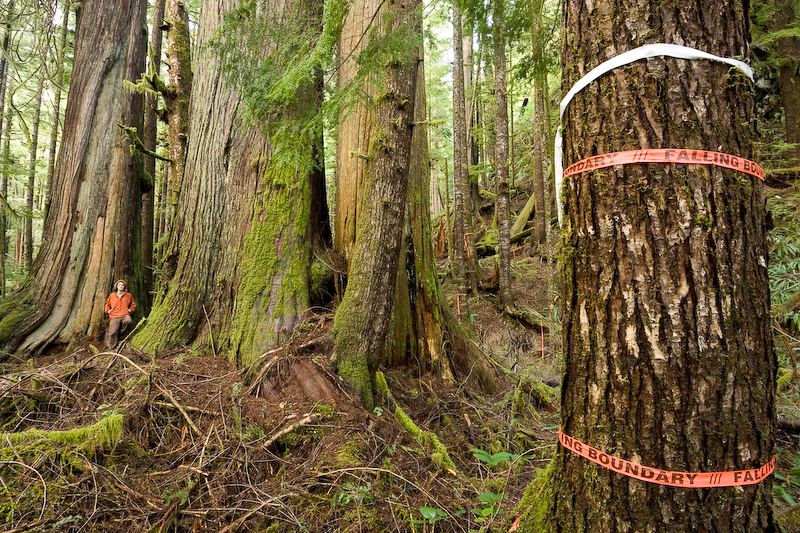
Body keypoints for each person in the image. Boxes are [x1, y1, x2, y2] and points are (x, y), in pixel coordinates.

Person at [105, 280, 136, 349]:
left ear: (124, 287)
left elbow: (133, 304)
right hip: (114, 315)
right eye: (119, 285)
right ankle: (112, 347)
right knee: (113, 332)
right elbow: (107, 303)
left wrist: (131, 310)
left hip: (125, 314)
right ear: (117, 286)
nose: (121, 286)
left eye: (122, 285)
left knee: (128, 321)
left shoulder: (128, 295)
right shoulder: (112, 295)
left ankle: (121, 336)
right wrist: (108, 310)